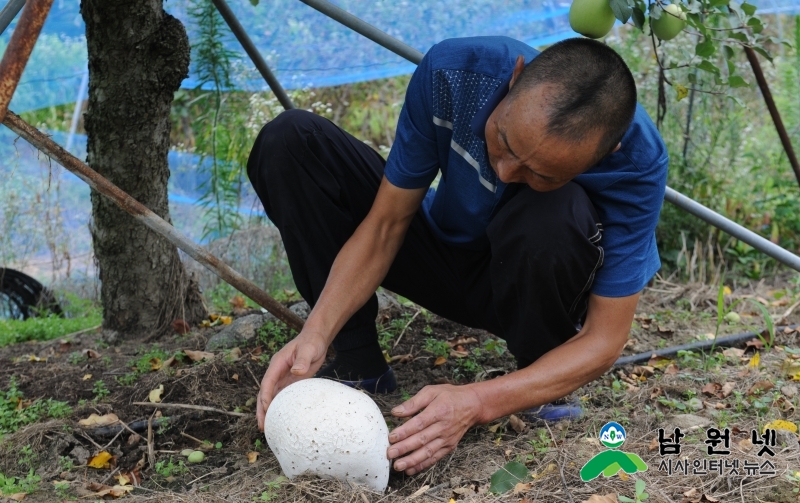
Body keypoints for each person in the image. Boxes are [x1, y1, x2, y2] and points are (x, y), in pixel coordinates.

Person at [246, 36, 668, 476]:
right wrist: (316, 333)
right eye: (503, 138)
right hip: (439, 254)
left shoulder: (636, 164)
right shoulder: (456, 73)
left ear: (605, 153)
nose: (504, 171)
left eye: (540, 173)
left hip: (526, 285)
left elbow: (605, 340)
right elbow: (387, 225)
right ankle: (357, 361)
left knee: (554, 212)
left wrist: (479, 401)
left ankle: (539, 381)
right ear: (516, 77)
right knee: (292, 140)